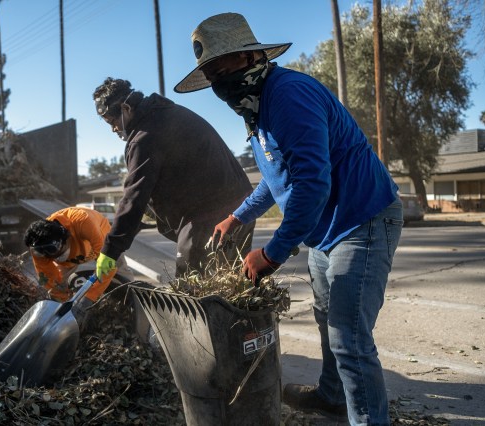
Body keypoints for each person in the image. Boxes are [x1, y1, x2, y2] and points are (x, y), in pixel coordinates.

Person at [175, 13, 403, 425]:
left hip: (362, 221)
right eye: (209, 75)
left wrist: (273, 252)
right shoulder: (258, 110)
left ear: (249, 57)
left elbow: (312, 183)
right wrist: (237, 216)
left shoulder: (289, 96)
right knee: (327, 318)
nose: (216, 83)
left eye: (219, 69)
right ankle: (334, 396)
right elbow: (276, 179)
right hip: (325, 232)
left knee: (349, 336)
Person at [92, 77, 255, 283]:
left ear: (125, 108)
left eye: (112, 122)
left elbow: (134, 196)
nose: (114, 129)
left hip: (209, 218)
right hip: (242, 209)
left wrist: (110, 250)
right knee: (234, 284)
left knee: (194, 292)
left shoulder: (145, 136)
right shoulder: (166, 114)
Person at [24, 206, 125, 303]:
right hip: (70, 260)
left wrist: (90, 297)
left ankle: (134, 297)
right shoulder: (38, 246)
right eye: (43, 253)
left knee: (122, 274)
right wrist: (64, 301)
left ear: (66, 237)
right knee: (59, 285)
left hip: (101, 240)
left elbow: (108, 264)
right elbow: (48, 280)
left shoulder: (82, 221)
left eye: (52, 249)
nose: (51, 257)